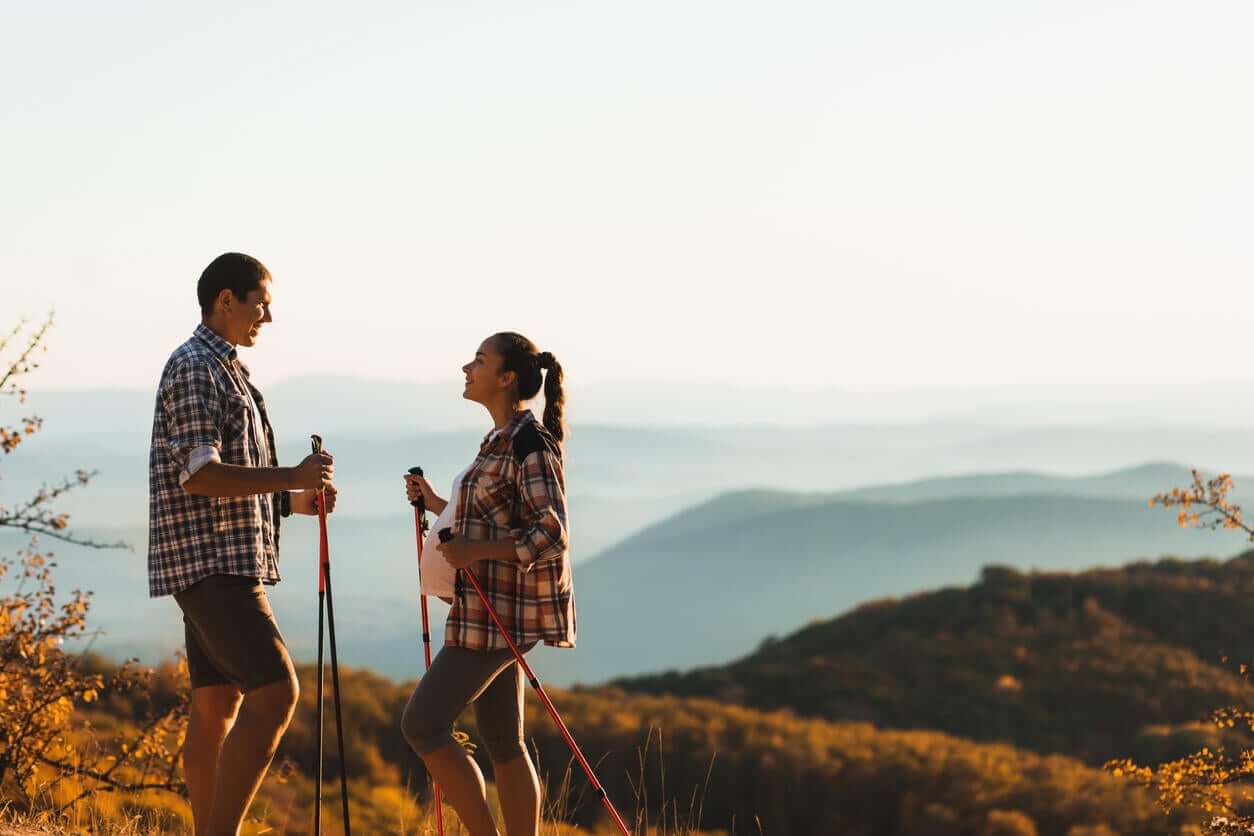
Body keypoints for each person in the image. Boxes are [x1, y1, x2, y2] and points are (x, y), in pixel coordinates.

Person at [147, 252, 337, 836]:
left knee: (216, 708)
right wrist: (290, 476)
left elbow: (231, 476)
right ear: (226, 300)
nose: (268, 318)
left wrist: (297, 501)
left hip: (215, 560)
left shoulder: (223, 368)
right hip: (213, 566)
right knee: (277, 693)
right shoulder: (197, 368)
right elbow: (200, 475)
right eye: (262, 304)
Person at [401, 331, 575, 836]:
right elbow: (495, 514)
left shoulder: (528, 443)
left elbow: (551, 530)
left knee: (423, 724)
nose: (466, 368)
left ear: (506, 379)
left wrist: (475, 552)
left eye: (478, 361)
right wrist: (436, 504)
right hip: (488, 609)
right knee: (504, 742)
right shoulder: (501, 440)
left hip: (499, 616)